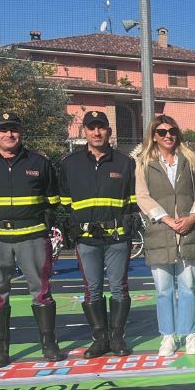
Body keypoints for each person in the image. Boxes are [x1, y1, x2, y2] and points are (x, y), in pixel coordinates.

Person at [0, 111, 65, 366]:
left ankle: (49, 344)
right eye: (3, 129)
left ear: (21, 132)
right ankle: (0, 349)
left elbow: (53, 200)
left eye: (13, 129)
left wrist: (37, 219)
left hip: (32, 237)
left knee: (42, 291)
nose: (9, 134)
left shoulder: (39, 162)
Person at [59, 110, 138, 358]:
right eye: (91, 127)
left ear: (109, 131)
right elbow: (64, 203)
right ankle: (100, 339)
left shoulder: (125, 163)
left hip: (117, 238)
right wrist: (73, 226)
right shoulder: (69, 164)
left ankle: (117, 338)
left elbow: (132, 202)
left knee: (119, 287)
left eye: (101, 127)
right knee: (92, 289)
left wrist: (129, 223)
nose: (96, 132)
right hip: (86, 240)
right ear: (84, 131)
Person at [135, 115, 195, 356]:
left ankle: (190, 334)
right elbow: (142, 196)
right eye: (162, 132)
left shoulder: (191, 159)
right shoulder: (143, 162)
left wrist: (192, 217)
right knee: (164, 290)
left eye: (172, 131)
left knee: (189, 286)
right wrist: (166, 219)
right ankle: (168, 336)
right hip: (160, 233)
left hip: (189, 233)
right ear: (153, 136)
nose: (168, 135)